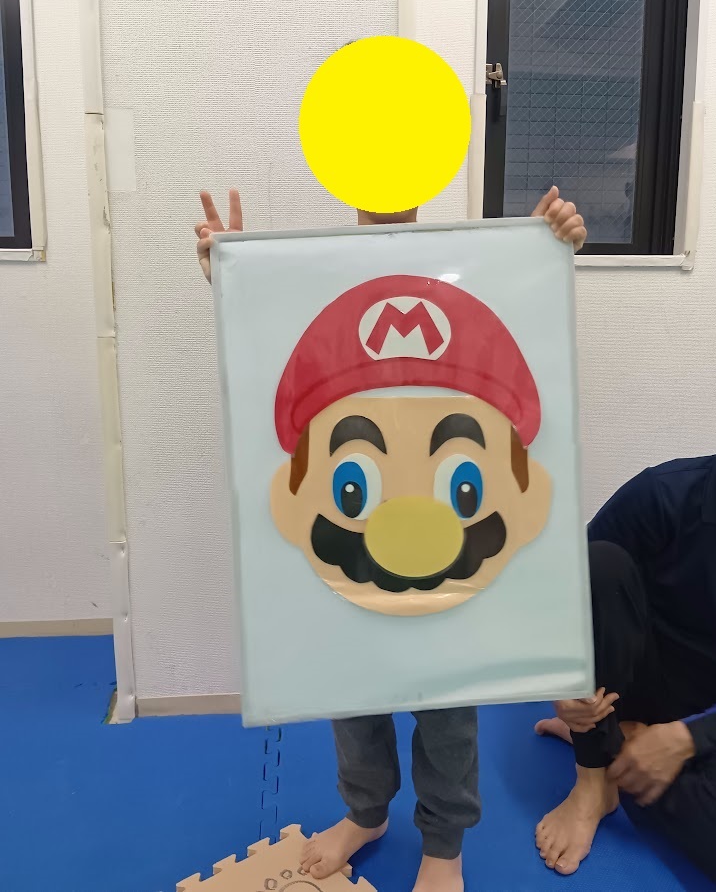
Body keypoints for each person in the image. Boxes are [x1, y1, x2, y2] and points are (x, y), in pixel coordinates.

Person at [195, 185, 587, 892]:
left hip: (458, 579)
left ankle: (444, 844)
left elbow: (513, 308)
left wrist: (537, 250)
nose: (386, 192)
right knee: (352, 695)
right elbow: (266, 350)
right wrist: (233, 278)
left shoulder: (460, 265)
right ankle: (366, 814)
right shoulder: (321, 270)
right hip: (352, 569)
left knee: (449, 712)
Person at [535, 457, 716, 883]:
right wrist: (562, 684)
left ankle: (617, 746)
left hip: (706, 719)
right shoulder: (663, 493)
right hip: (632, 681)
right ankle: (594, 776)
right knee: (600, 564)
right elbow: (564, 594)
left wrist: (691, 738)